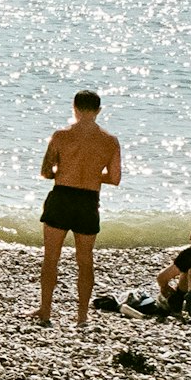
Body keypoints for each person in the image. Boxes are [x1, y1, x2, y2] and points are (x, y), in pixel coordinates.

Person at [35, 90, 121, 326]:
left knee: (51, 258)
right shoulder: (110, 141)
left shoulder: (61, 136)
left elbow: (45, 171)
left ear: (74, 107)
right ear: (99, 110)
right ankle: (82, 316)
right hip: (88, 201)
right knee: (85, 260)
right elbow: (115, 178)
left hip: (62, 197)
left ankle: (45, 311)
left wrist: (66, 172)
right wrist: (92, 175)